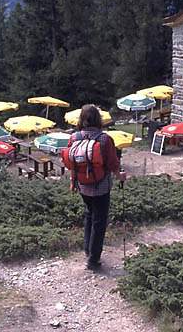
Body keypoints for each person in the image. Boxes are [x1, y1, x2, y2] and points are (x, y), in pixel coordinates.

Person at [66, 104, 126, 270]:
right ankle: (93, 260)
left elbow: (72, 164)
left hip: (83, 186)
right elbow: (113, 164)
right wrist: (121, 176)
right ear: (98, 119)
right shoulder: (105, 139)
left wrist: (73, 182)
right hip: (101, 186)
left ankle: (88, 250)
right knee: (99, 222)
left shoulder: (74, 138)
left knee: (89, 216)